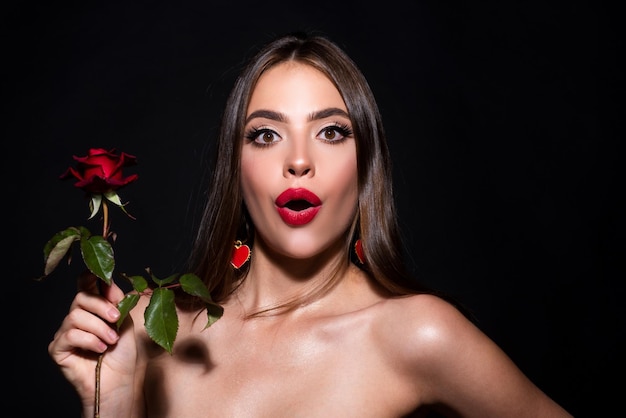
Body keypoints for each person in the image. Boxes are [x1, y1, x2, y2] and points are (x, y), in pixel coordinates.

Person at [48, 32, 572, 417]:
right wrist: (111, 404)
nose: (299, 161)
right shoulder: (150, 331)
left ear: (365, 165)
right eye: (266, 135)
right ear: (235, 167)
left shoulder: (417, 333)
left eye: (332, 132)